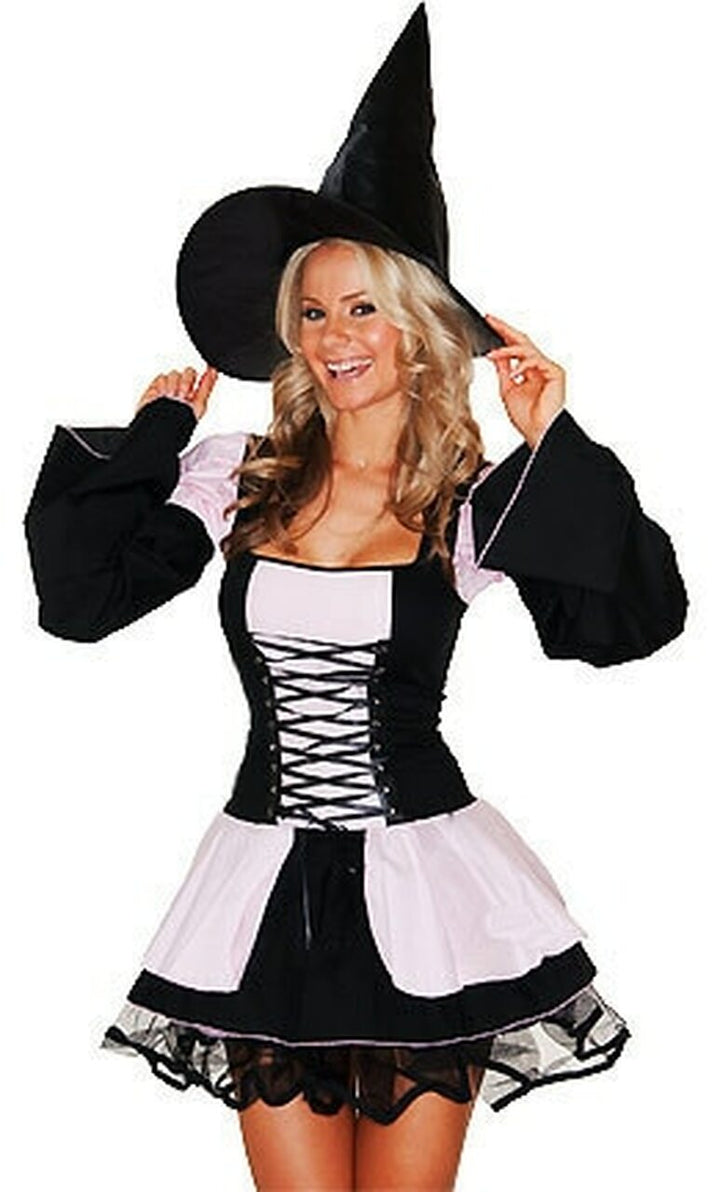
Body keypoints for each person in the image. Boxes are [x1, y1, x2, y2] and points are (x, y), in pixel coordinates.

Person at [23, 7, 688, 1190]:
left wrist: (554, 440)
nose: (334, 336)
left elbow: (627, 624)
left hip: (431, 896)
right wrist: (158, 431)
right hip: (262, 896)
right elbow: (79, 601)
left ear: (417, 327)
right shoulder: (239, 481)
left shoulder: (469, 503)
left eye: (363, 306)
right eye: (314, 310)